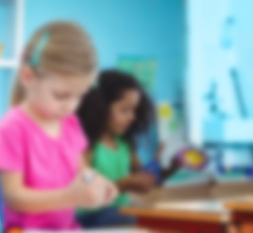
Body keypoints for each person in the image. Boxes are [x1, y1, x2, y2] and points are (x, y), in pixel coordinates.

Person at [0, 21, 117, 231]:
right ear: (28, 77)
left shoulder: (71, 124)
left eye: (78, 96)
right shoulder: (10, 129)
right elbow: (14, 197)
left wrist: (97, 182)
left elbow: (82, 171)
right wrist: (71, 196)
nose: (71, 105)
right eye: (61, 95)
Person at [76, 70, 181, 228]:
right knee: (127, 217)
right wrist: (124, 184)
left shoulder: (125, 144)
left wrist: (170, 169)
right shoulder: (88, 146)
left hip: (119, 212)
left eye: (134, 111)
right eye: (124, 110)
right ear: (101, 108)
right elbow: (82, 190)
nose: (132, 117)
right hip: (91, 216)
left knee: (152, 218)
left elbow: (147, 180)